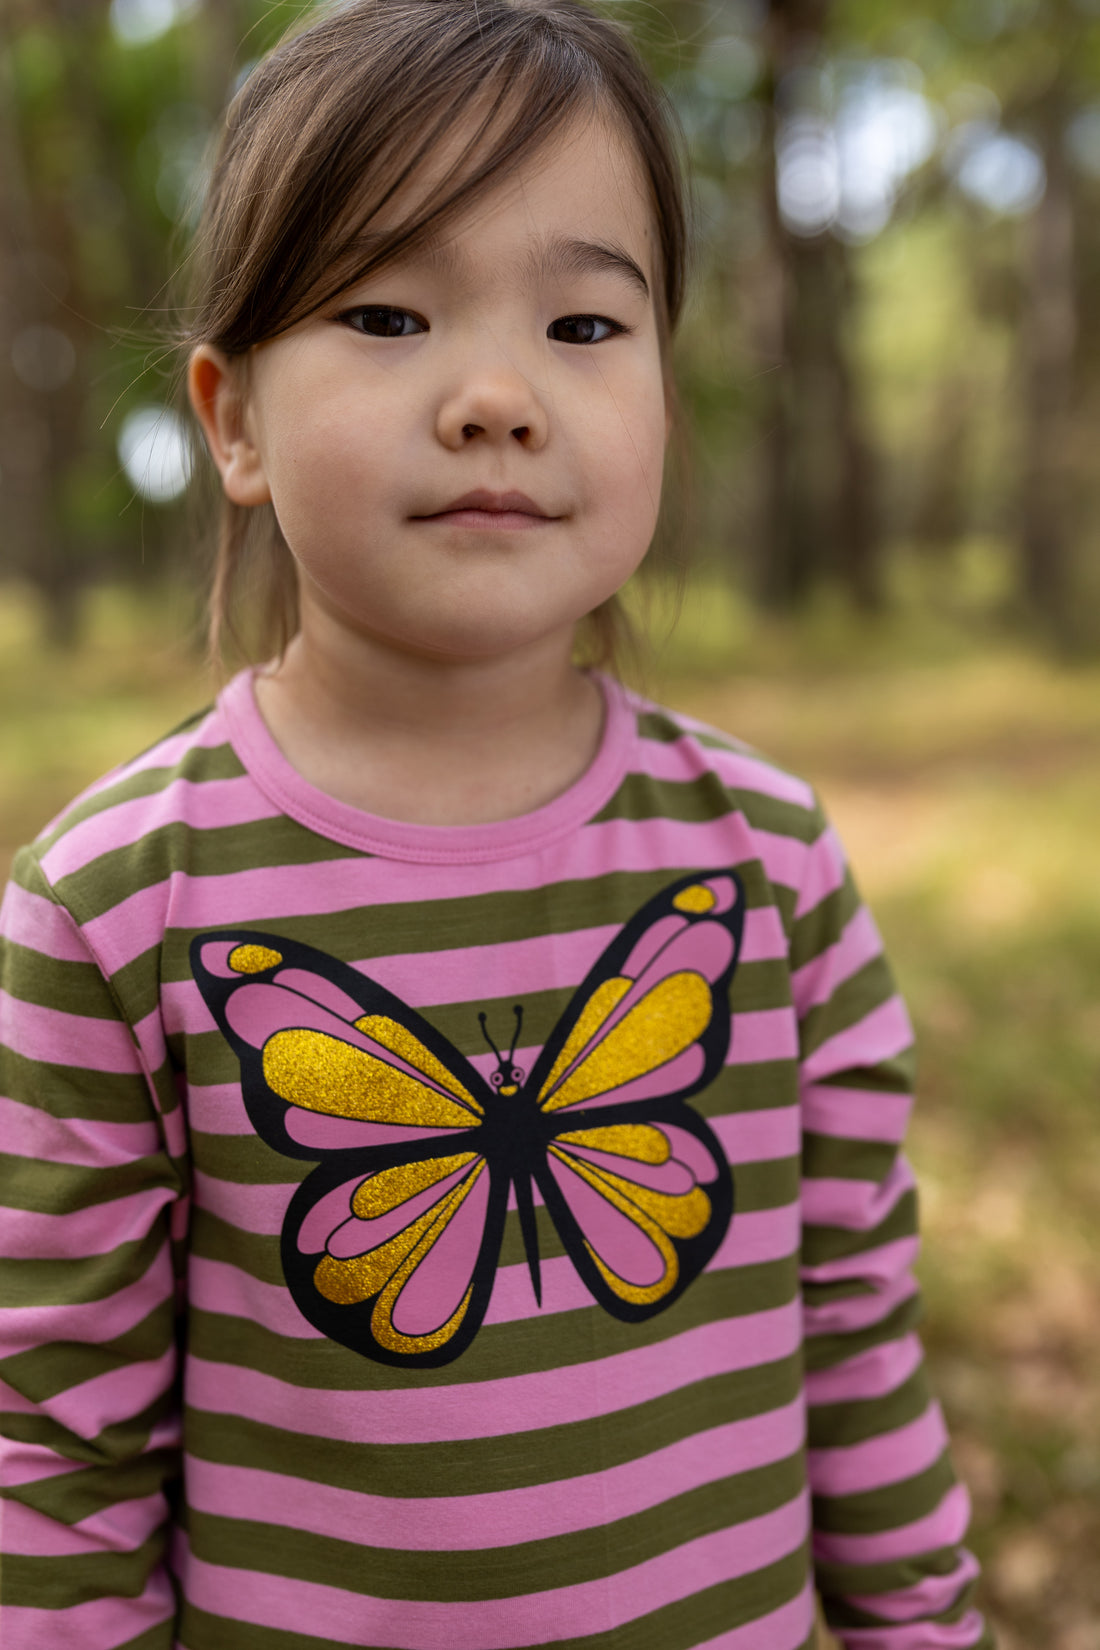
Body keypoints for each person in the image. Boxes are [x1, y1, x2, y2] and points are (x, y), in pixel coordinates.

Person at [0, 1, 993, 1646]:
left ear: (667, 391)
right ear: (233, 418)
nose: (494, 396)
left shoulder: (769, 864)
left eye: (586, 326)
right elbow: (50, 1442)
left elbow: (855, 1328)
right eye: (387, 314)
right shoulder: (116, 908)